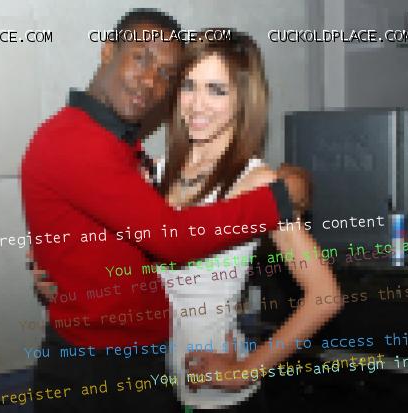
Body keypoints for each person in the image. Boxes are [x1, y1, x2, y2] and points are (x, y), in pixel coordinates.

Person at [21, 9, 295, 413]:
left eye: (167, 73)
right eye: (141, 57)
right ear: (108, 51)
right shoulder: (77, 140)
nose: (151, 81)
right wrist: (279, 198)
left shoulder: (131, 153)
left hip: (149, 366)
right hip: (99, 374)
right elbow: (173, 239)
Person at [154, 30, 341, 411]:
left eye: (216, 90)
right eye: (189, 85)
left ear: (243, 99)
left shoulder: (256, 183)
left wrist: (246, 369)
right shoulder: (156, 174)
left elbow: (325, 295)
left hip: (220, 400)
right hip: (156, 391)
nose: (197, 103)